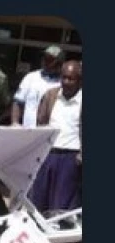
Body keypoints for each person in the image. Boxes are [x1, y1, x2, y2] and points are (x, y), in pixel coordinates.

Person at [30, 60, 82, 212]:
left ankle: (58, 231)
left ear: (79, 80)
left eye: (71, 78)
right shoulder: (51, 96)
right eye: (63, 77)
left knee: (62, 201)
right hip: (48, 153)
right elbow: (41, 122)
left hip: (71, 158)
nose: (66, 81)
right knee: (39, 197)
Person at [12, 45, 64, 128]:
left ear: (59, 62)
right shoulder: (31, 77)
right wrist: (15, 123)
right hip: (28, 130)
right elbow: (18, 102)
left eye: (49, 59)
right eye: (44, 58)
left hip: (51, 132)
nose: (45, 61)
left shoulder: (63, 83)